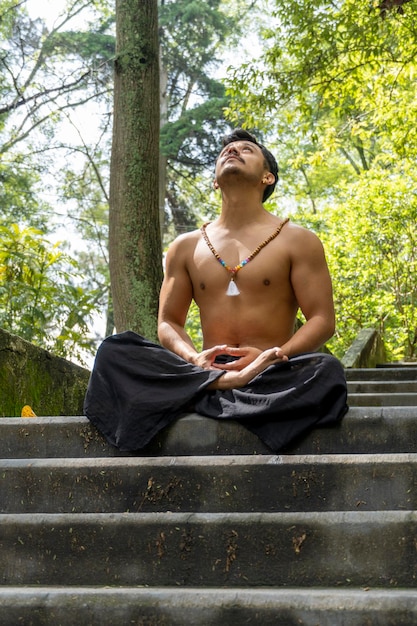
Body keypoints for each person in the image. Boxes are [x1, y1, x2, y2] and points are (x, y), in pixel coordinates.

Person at [84, 128, 348, 452]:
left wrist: (272, 357)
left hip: (268, 375)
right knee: (115, 351)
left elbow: (322, 319)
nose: (233, 151)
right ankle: (218, 386)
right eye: (227, 150)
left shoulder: (298, 240)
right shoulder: (185, 246)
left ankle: (209, 394)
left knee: (327, 372)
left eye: (246, 149)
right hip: (204, 371)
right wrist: (195, 360)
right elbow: (168, 323)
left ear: (268, 177)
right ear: (215, 181)